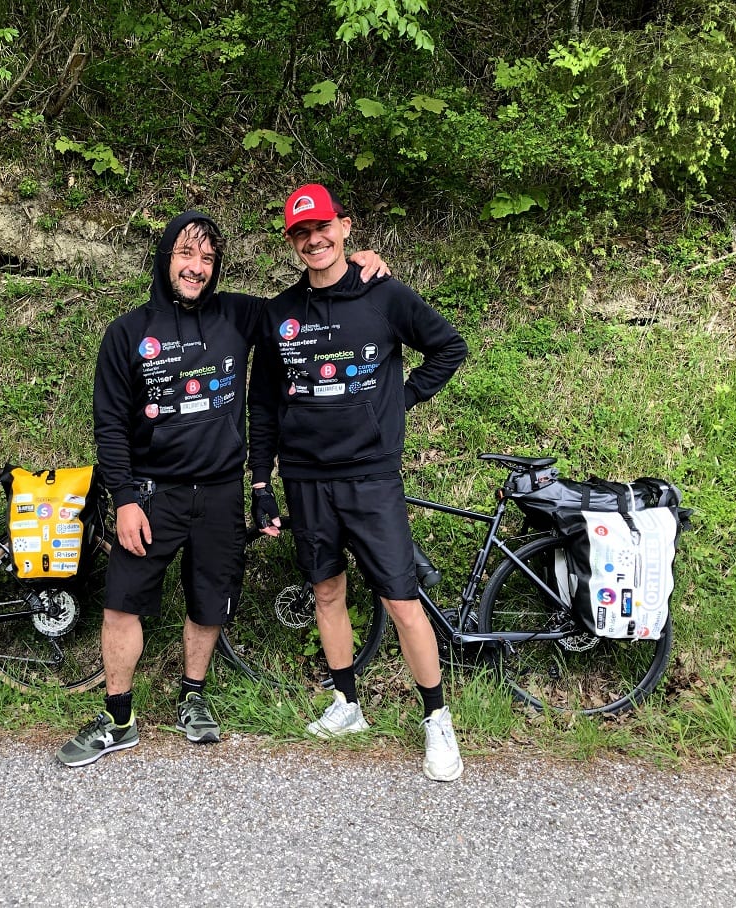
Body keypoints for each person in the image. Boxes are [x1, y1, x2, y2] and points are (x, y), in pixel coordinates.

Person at [57, 211, 388, 767]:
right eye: (187, 254)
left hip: (219, 492)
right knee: (121, 605)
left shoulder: (239, 314)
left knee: (209, 604)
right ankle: (118, 719)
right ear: (166, 257)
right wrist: (126, 499)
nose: (197, 268)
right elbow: (109, 426)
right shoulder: (127, 333)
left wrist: (356, 265)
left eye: (208, 259)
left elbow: (305, 301)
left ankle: (193, 696)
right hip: (151, 493)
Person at [247, 184, 469, 781]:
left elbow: (449, 348)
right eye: (301, 233)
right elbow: (263, 404)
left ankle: (437, 719)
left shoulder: (385, 294)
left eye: (322, 227)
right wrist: (262, 482)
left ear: (344, 226)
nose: (314, 240)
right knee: (327, 593)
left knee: (401, 599)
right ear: (291, 242)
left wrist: (400, 400)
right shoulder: (278, 314)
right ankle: (347, 704)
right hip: (304, 477)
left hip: (371, 475)